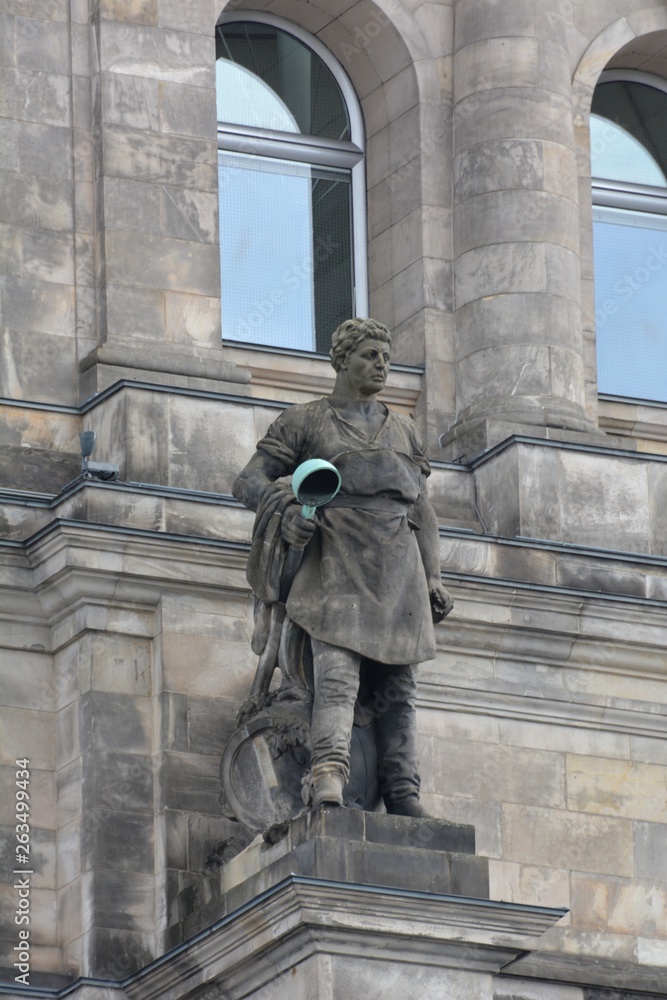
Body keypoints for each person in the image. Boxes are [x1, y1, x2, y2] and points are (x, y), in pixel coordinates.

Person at [233, 318, 452, 816]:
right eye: (370, 355)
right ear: (341, 360)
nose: (381, 365)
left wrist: (434, 575)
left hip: (398, 573)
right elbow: (247, 481)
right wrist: (288, 512)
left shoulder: (404, 429)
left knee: (400, 688)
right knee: (336, 678)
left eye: (386, 358)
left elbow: (422, 509)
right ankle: (327, 776)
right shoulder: (305, 421)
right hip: (334, 565)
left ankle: (403, 792)